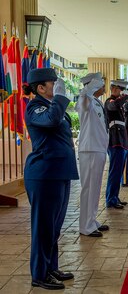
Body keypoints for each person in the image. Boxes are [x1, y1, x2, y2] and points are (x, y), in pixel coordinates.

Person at [23, 68, 78, 290]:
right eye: (53, 83)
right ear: (40, 88)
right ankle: (39, 274)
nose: (57, 86)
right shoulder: (34, 107)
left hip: (60, 172)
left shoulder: (49, 106)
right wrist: (61, 99)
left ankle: (50, 267)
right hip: (44, 175)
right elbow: (52, 121)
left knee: (54, 227)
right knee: (43, 227)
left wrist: (59, 100)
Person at [76, 72, 110, 238]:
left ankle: (91, 220)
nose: (104, 86)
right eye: (101, 83)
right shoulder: (85, 100)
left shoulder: (96, 101)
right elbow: (83, 99)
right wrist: (89, 88)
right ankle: (85, 226)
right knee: (88, 188)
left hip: (98, 149)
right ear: (93, 85)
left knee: (95, 188)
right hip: (89, 149)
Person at [104, 79, 128, 209]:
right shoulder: (110, 102)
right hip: (115, 142)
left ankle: (115, 196)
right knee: (114, 172)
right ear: (113, 89)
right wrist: (125, 96)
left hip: (121, 142)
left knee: (118, 172)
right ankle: (111, 199)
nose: (121, 92)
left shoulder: (119, 103)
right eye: (120, 89)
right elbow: (113, 106)